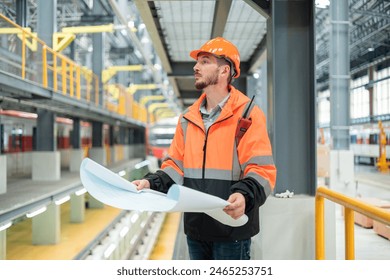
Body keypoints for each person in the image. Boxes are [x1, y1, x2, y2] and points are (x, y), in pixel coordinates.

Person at [133, 37, 277, 260]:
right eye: (197, 62)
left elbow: (261, 169)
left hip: (231, 230)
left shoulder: (247, 114)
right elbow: (175, 166)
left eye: (205, 61)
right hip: (196, 229)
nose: (195, 67)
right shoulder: (187, 118)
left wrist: (244, 195)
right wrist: (151, 182)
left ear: (224, 71)